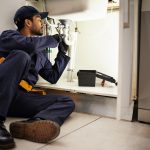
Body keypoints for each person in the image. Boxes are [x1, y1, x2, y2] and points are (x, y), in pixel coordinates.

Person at [0, 5, 75, 149]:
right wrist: (52, 40)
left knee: (66, 101)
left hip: (19, 99)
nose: (43, 24)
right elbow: (29, 46)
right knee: (21, 56)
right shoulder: (8, 36)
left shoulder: (40, 54)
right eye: (39, 19)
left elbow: (52, 76)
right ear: (28, 22)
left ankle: (31, 124)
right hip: (2, 90)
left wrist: (62, 54)